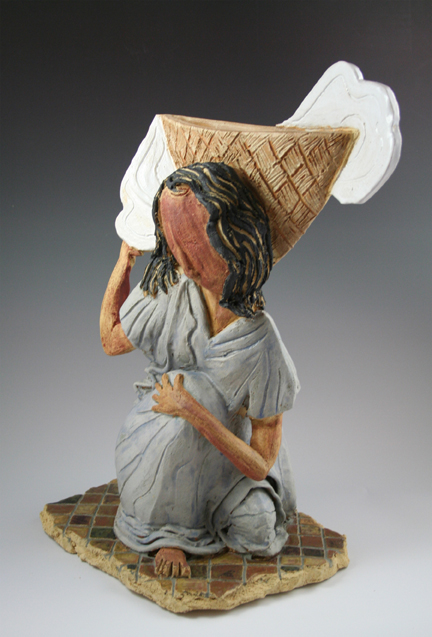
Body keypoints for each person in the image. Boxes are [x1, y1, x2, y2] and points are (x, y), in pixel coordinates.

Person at [100, 162, 300, 578]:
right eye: (174, 245)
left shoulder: (261, 342)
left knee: (259, 531)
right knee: (191, 386)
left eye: (195, 245)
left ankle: (210, 514)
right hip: (161, 445)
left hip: (228, 467)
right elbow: (112, 339)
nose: (186, 264)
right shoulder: (171, 288)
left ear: (234, 239)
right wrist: (124, 262)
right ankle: (169, 529)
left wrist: (193, 411)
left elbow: (260, 464)